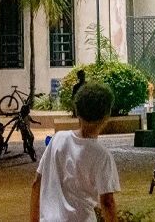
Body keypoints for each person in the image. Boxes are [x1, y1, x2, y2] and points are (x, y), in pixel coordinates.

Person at [30, 82, 120, 222]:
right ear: (106, 116)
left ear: (77, 112)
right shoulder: (102, 156)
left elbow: (37, 182)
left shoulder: (58, 139)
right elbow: (107, 202)